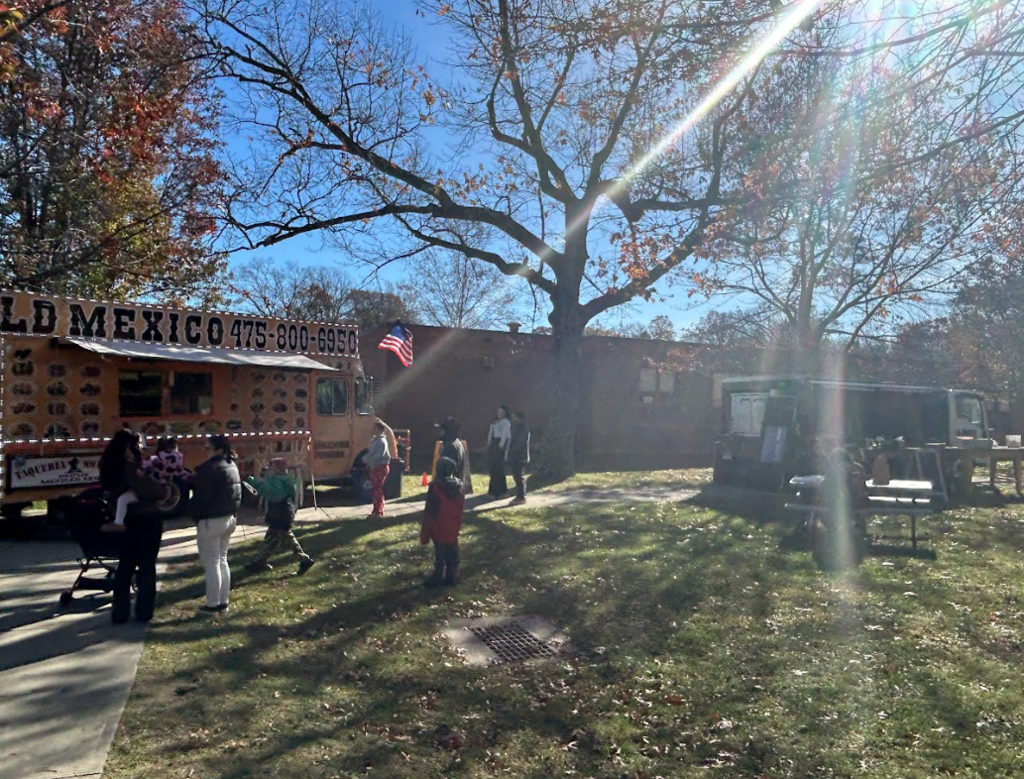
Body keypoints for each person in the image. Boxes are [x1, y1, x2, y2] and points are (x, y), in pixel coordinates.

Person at [99, 430, 166, 623]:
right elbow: (152, 490)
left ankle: (120, 611)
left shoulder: (108, 466)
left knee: (125, 566)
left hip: (127, 521)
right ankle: (144, 611)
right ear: (129, 447)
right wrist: (163, 490)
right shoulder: (133, 468)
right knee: (147, 566)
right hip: (147, 518)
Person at [190, 435, 242, 613]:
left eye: (208, 449)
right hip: (228, 517)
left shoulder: (209, 468)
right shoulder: (231, 465)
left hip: (211, 519)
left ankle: (212, 603)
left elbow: (201, 497)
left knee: (211, 563)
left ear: (218, 450)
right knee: (222, 560)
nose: (205, 452)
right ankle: (223, 601)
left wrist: (193, 513)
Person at [246, 458, 315, 575]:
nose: (268, 469)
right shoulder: (284, 479)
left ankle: (304, 559)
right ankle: (259, 562)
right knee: (272, 539)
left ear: (276, 469)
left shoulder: (278, 481)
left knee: (286, 537)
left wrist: (252, 481)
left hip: (280, 513)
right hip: (282, 511)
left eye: (271, 466)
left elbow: (270, 492)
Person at [420, 456, 465, 586]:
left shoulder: (435, 487)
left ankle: (438, 575)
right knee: (452, 549)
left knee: (440, 551)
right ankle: (452, 575)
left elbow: (430, 511)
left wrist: (425, 533)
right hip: (454, 523)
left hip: (438, 524)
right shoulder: (459, 486)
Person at [438, 416, 472, 493]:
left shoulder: (450, 446)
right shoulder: (457, 443)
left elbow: (446, 471)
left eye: (442, 430)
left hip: (451, 490)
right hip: (457, 488)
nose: (441, 432)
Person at [365, 421, 391, 518]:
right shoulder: (374, 440)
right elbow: (370, 453)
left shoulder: (382, 441)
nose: (373, 430)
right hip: (373, 466)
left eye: (375, 428)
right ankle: (375, 510)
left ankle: (379, 511)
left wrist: (368, 460)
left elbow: (378, 455)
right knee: (375, 489)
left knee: (377, 489)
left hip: (380, 467)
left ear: (380, 430)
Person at [487, 405, 511, 498]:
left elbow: (506, 435)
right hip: (493, 445)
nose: (499, 414)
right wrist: (489, 444)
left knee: (499, 469)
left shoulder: (506, 422)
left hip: (500, 446)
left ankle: (502, 492)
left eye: (501, 412)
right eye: (498, 412)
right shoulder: (494, 423)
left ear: (505, 413)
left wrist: (501, 446)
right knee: (493, 469)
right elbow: (490, 434)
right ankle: (492, 491)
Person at [508, 410, 531, 505]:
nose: (513, 419)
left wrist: (513, 452)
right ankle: (519, 495)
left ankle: (521, 496)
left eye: (514, 417)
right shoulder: (517, 427)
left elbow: (519, 442)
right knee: (517, 476)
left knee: (519, 476)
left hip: (520, 456)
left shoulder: (522, 429)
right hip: (517, 456)